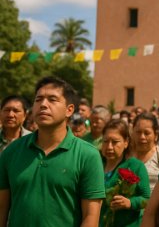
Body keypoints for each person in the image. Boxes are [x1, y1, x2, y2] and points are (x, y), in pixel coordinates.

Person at [0, 76, 105, 226]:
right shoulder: (11, 152)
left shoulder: (88, 155)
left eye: (52, 99)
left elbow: (90, 216)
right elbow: (1, 208)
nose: (43, 104)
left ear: (69, 110)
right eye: (38, 99)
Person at [100, 119, 150, 227]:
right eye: (105, 141)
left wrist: (130, 203)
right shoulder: (96, 164)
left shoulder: (135, 166)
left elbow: (147, 199)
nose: (109, 147)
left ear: (126, 142)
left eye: (115, 142)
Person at [131, 113, 159, 191]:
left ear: (155, 135)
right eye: (138, 132)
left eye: (147, 133)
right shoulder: (127, 156)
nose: (142, 137)